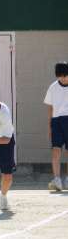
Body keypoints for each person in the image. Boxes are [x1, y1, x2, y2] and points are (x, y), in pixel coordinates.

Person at [44, 61, 68, 192]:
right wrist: (49, 126)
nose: (62, 78)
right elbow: (50, 107)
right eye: (60, 76)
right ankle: (57, 179)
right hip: (57, 121)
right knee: (56, 150)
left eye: (65, 75)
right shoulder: (53, 87)